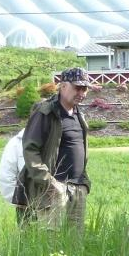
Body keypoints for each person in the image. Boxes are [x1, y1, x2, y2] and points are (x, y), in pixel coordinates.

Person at [18, 66, 91, 229]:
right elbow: (30, 150)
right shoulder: (46, 111)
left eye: (85, 88)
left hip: (77, 188)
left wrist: (84, 183)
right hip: (53, 190)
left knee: (75, 245)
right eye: (77, 87)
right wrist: (49, 183)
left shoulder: (79, 114)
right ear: (63, 86)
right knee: (52, 244)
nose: (82, 93)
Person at [0, 131, 27, 223]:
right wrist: (19, 201)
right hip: (25, 204)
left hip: (57, 204)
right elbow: (6, 176)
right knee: (28, 235)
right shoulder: (16, 143)